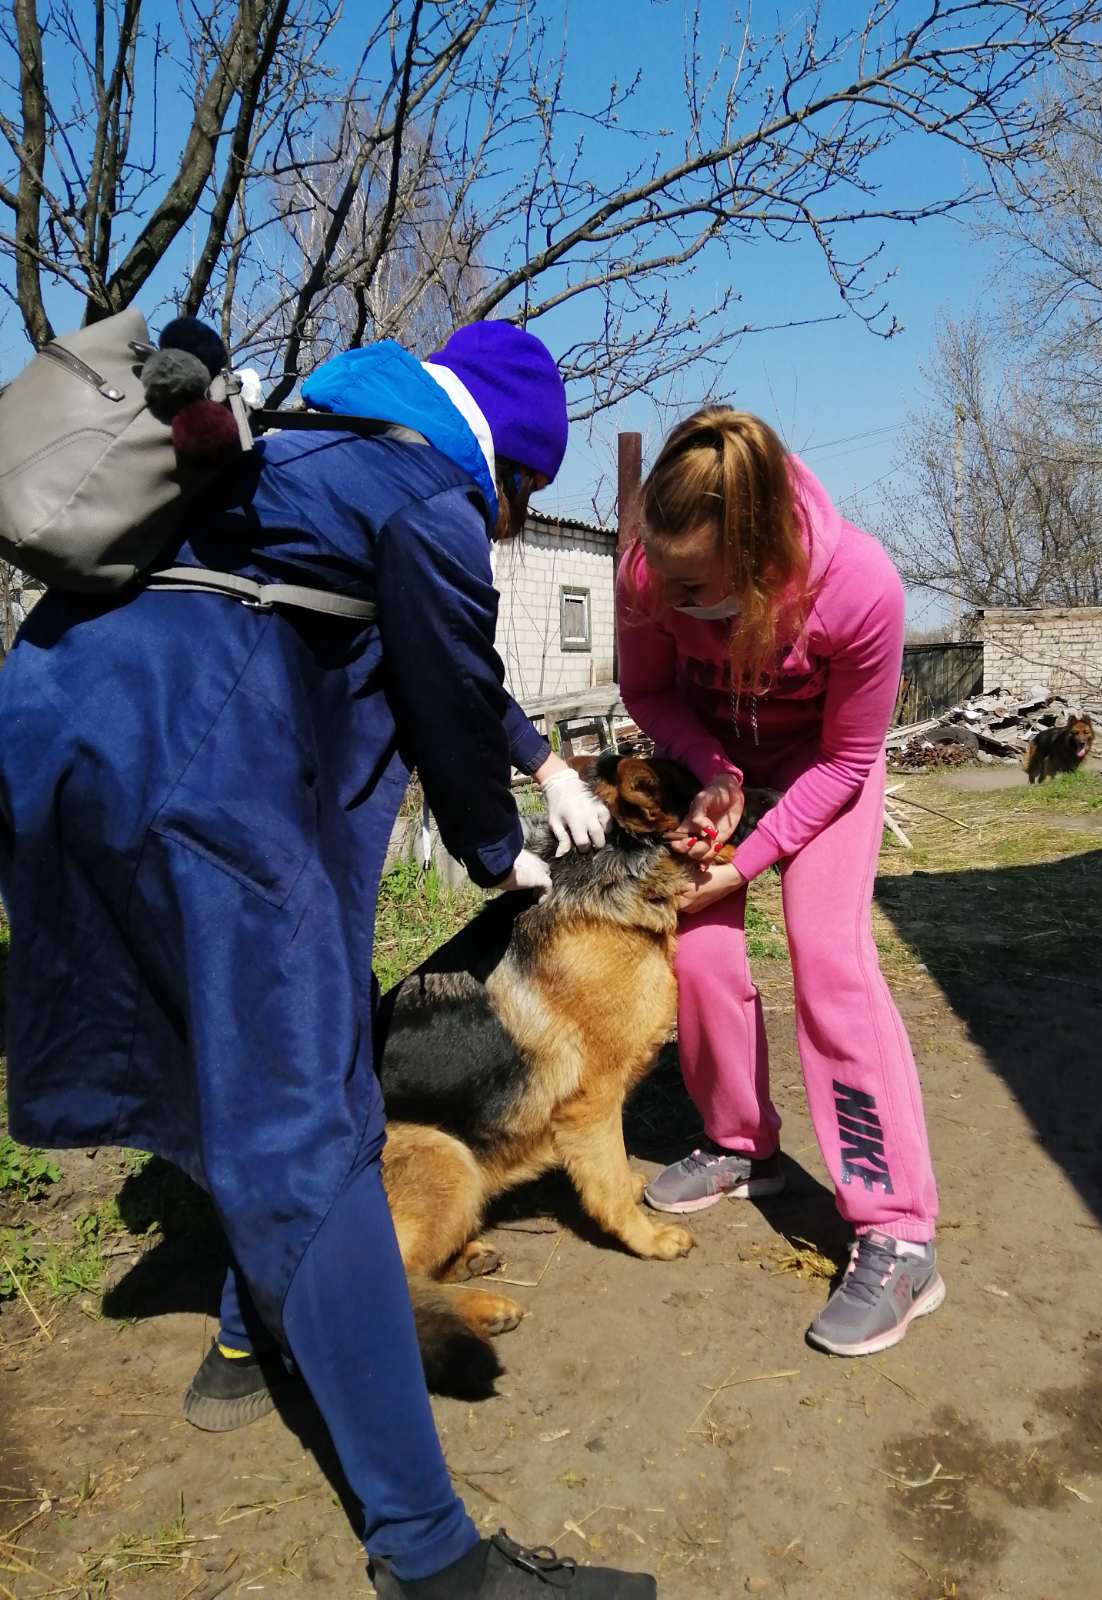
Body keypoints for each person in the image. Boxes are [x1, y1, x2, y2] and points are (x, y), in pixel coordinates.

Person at [0, 321, 655, 1598]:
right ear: (508, 464)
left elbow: (419, 642)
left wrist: (542, 758)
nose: (511, 524)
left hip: (60, 734)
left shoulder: (318, 442)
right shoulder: (434, 496)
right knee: (317, 1115)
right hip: (195, 789)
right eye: (522, 498)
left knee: (226, 1063)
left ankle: (247, 1343)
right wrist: (499, 847)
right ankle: (433, 1557)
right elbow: (449, 676)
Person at [617, 407, 943, 1359]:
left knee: (828, 956)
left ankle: (899, 1231)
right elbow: (649, 692)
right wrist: (712, 768)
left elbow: (847, 763)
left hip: (822, 766)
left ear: (758, 556)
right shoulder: (650, 568)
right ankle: (737, 1141)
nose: (664, 595)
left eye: (693, 584)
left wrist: (753, 858)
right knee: (702, 947)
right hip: (719, 759)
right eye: (660, 573)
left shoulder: (862, 588)